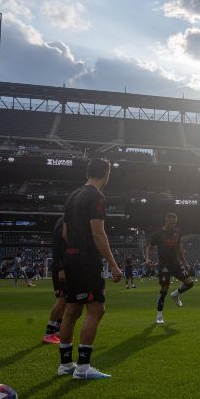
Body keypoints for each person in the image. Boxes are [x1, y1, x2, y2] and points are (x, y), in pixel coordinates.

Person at [58, 159, 122, 380]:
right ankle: (83, 367)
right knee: (96, 309)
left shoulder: (73, 196)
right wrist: (113, 264)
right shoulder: (96, 197)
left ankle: (65, 364)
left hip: (70, 257)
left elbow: (65, 233)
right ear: (107, 174)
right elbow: (98, 234)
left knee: (71, 311)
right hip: (87, 260)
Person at [145, 213, 195, 324]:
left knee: (190, 283)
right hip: (164, 267)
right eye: (172, 223)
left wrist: (184, 262)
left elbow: (179, 247)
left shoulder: (177, 232)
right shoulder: (158, 234)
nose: (173, 225)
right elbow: (150, 247)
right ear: (166, 221)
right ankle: (159, 315)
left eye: (175, 223)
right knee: (163, 291)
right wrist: (147, 258)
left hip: (176, 264)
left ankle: (176, 294)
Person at [43, 216, 67, 345]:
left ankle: (57, 331)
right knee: (62, 299)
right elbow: (58, 246)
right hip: (61, 267)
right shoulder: (64, 221)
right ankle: (49, 333)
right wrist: (62, 267)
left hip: (65, 266)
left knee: (66, 301)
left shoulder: (65, 220)